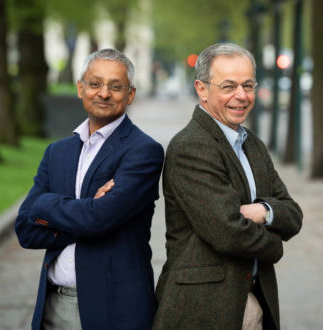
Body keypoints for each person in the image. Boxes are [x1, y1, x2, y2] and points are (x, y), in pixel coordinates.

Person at [152, 43, 303, 330]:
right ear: (201, 89)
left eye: (248, 85)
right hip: (202, 309)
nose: (241, 96)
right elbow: (228, 232)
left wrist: (262, 211)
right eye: (229, 86)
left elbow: (293, 214)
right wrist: (274, 246)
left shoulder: (252, 145)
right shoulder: (191, 146)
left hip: (254, 300)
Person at [15, 48, 164, 330]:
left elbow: (98, 218)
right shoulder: (56, 152)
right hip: (52, 306)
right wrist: (87, 212)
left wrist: (46, 205)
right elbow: (25, 229)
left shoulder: (143, 151)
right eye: (95, 84)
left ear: (130, 95)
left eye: (115, 86)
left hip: (113, 310)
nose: (104, 93)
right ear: (80, 88)